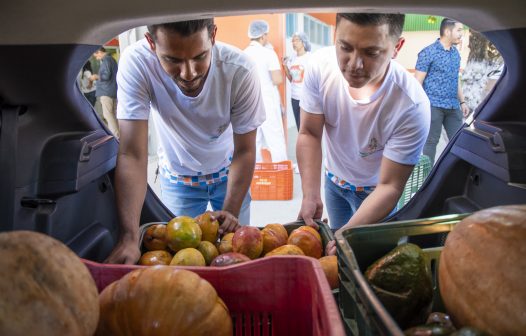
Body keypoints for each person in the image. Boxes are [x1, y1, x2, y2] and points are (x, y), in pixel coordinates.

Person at [105, 19, 266, 264]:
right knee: (182, 264)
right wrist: (128, 236)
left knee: (236, 257)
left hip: (229, 176)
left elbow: (244, 150)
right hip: (179, 180)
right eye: (173, 60)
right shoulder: (137, 63)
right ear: (151, 43)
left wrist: (232, 210)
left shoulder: (239, 70)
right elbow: (132, 154)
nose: (189, 73)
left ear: (213, 36)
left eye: (200, 56)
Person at [297, 13, 430, 255]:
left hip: (375, 195)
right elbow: (309, 133)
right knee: (335, 254)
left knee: (368, 260)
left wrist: (348, 233)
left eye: (371, 53)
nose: (354, 65)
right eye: (345, 47)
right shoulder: (319, 68)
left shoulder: (412, 106)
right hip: (333, 182)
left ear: (396, 47)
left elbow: (390, 186)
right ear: (335, 36)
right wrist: (310, 194)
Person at [415, 18, 470, 165]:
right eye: (459, 30)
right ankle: (428, 178)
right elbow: (417, 83)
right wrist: (420, 107)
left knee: (459, 140)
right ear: (447, 31)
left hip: (453, 107)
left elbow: (455, 79)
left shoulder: (455, 54)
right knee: (431, 142)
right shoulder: (428, 53)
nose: (461, 34)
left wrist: (462, 101)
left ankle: (453, 172)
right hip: (433, 105)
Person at [244, 20, 288, 163]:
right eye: (266, 35)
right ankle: (281, 174)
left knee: (254, 141)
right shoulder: (268, 53)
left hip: (249, 103)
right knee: (275, 140)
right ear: (262, 36)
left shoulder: (243, 54)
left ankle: (256, 177)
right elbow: (277, 80)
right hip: (267, 102)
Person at [282, 32, 312, 130]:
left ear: (303, 42)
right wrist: (285, 66)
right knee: (299, 127)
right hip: (294, 97)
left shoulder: (310, 57)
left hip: (306, 97)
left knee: (306, 127)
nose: (294, 43)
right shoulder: (293, 58)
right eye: (292, 41)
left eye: (296, 40)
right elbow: (291, 79)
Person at [91, 47, 120, 139]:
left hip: (106, 91)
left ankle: (117, 136)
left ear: (99, 52)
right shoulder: (111, 59)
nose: (95, 57)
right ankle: (119, 135)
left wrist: (96, 76)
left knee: (108, 114)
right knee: (113, 114)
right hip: (112, 90)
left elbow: (106, 75)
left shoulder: (106, 60)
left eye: (95, 55)